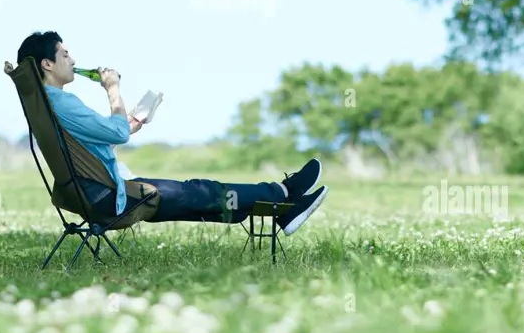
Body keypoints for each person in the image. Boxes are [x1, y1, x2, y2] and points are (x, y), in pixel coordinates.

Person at [16, 31, 328, 235]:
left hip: (90, 193)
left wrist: (132, 123)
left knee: (199, 195)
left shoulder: (48, 104)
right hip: (111, 198)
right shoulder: (64, 103)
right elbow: (116, 133)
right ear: (47, 64)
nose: (72, 60)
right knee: (200, 190)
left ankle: (283, 207)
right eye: (65, 54)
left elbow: (103, 136)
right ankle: (283, 195)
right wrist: (113, 89)